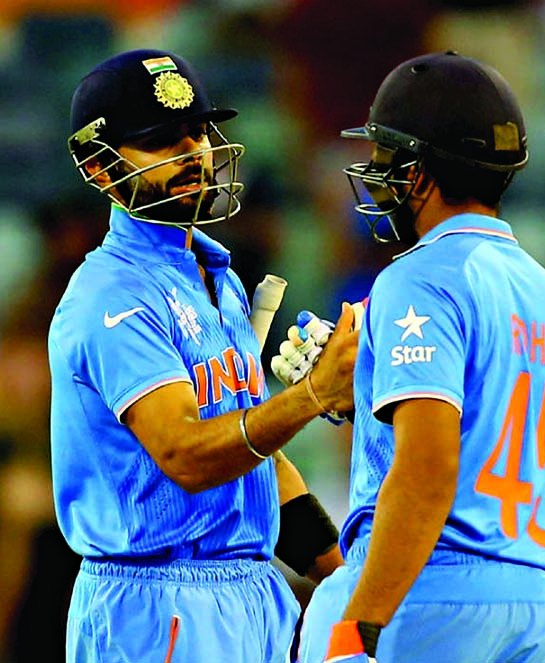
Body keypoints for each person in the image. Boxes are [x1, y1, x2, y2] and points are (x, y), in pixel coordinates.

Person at [48, 48, 358, 663]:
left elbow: (256, 461)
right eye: (162, 141)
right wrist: (312, 396)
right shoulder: (111, 294)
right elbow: (186, 454)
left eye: (196, 133)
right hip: (153, 600)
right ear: (102, 170)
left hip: (250, 591)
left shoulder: (218, 274)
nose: (194, 154)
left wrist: (344, 579)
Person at [296, 51, 545, 663]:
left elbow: (428, 468)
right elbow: (482, 424)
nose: (377, 175)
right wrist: (367, 391)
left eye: (387, 159)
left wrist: (359, 626)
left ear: (421, 171)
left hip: (425, 590)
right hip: (531, 602)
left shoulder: (420, 277)